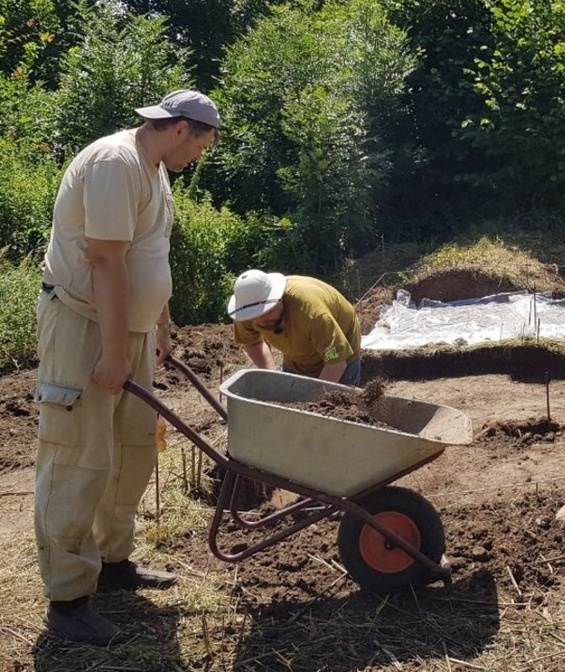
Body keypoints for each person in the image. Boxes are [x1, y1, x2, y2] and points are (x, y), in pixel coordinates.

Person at [35, 90, 222, 644]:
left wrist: (159, 322)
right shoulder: (115, 163)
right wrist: (114, 354)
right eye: (202, 146)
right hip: (85, 324)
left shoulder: (156, 169)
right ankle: (68, 600)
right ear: (181, 129)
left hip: (130, 330)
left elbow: (149, 253)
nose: (200, 157)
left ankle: (113, 562)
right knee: (78, 455)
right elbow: (105, 260)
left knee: (133, 449)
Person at [227, 270, 363, 386]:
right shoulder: (247, 311)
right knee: (291, 395)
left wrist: (315, 402)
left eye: (267, 312)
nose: (261, 321)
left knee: (340, 400)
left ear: (278, 299)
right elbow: (253, 344)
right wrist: (273, 377)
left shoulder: (311, 314)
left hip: (339, 343)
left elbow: (336, 363)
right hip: (297, 353)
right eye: (255, 316)